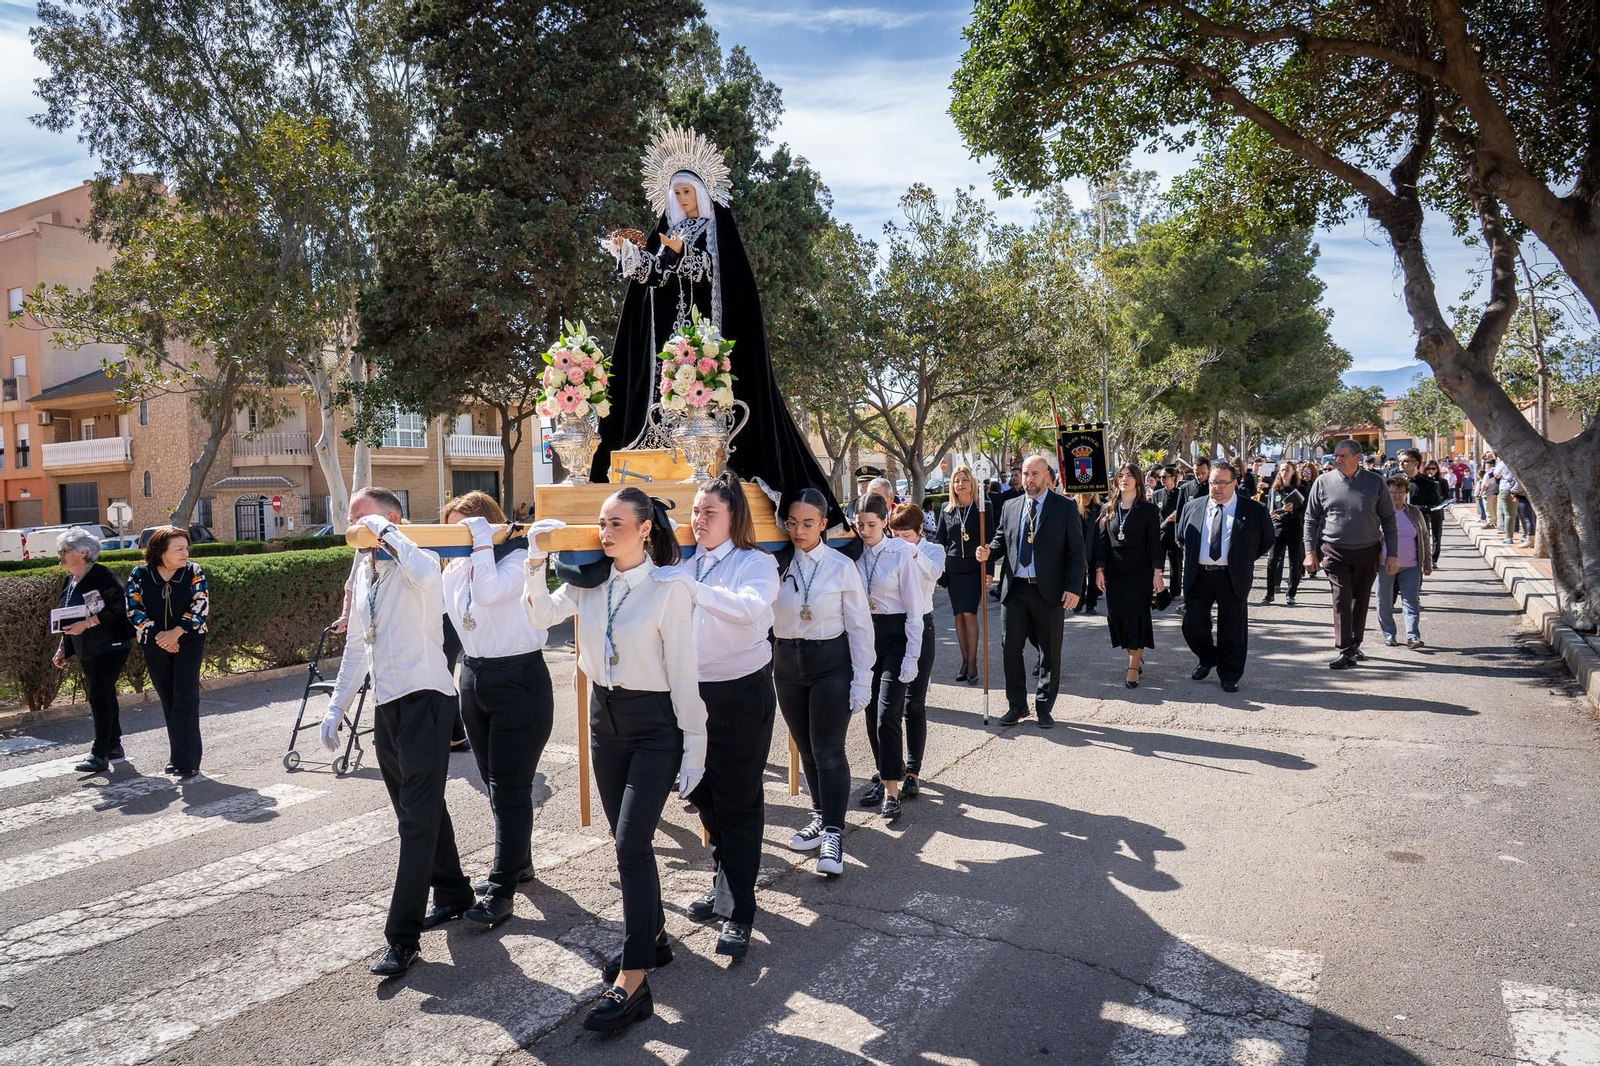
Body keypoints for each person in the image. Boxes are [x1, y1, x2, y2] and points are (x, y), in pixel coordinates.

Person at [523, 487, 705, 1033]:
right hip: (605, 721)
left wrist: (694, 745)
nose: (605, 533)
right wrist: (535, 561)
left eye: (617, 524)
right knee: (628, 843)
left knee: (630, 845)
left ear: (646, 528)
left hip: (655, 725)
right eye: (602, 524)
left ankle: (633, 980)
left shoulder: (669, 590)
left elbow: (684, 672)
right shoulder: (589, 580)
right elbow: (539, 618)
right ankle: (653, 936)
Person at [596, 123, 842, 524]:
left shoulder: (717, 229)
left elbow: (718, 276)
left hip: (708, 334)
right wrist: (631, 255)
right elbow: (655, 278)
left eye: (686, 192)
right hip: (672, 341)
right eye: (675, 193)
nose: (681, 199)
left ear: (701, 192)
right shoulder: (670, 230)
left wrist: (682, 256)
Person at [317, 489, 474, 978]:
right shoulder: (364, 573)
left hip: (428, 702)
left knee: (414, 823)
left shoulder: (420, 563)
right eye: (350, 521)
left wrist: (385, 530)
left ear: (391, 520)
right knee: (419, 812)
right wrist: (336, 706)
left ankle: (400, 938)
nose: (353, 529)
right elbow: (357, 651)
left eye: (361, 519)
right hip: (388, 707)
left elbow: (427, 572)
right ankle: (452, 891)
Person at [438, 491, 554, 929]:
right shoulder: (458, 565)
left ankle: (501, 891)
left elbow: (487, 595)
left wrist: (483, 541)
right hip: (474, 677)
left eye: (464, 528)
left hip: (519, 681)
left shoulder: (516, 559)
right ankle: (519, 864)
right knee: (493, 783)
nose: (459, 537)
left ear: (485, 525)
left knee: (509, 785)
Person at [680, 473, 780, 960]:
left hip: (740, 695)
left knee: (738, 801)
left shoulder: (755, 563)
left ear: (734, 517)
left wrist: (692, 589)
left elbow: (749, 609)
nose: (698, 520)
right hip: (690, 696)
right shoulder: (685, 561)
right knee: (703, 795)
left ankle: (740, 909)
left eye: (708, 512)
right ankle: (726, 880)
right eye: (695, 511)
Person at [772, 488, 874, 878]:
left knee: (829, 749)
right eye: (792, 523)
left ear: (823, 525)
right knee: (807, 750)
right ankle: (819, 815)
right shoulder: (775, 563)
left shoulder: (839, 566)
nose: (798, 531)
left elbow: (860, 626)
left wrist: (862, 678)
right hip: (786, 662)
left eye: (808, 524)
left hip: (830, 662)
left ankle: (834, 833)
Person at [974, 454, 1087, 729]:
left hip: (1048, 591)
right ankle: (1017, 705)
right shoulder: (1010, 506)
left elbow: (1076, 553)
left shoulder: (1064, 507)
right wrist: (988, 552)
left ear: (1047, 476)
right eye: (1025, 474)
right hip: (1015, 590)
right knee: (1010, 648)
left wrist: (1074, 588)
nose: (1029, 479)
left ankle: (1044, 706)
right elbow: (1003, 539)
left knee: (1049, 652)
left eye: (1035, 474)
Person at [852, 494, 923, 821]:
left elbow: (914, 608)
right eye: (860, 524)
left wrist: (912, 654)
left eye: (871, 525)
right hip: (866, 636)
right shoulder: (853, 554)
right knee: (870, 713)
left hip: (895, 635)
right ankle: (883, 777)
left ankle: (892, 794)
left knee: (887, 715)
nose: (864, 531)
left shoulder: (900, 555)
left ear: (884, 522)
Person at [1176, 462, 1274, 692]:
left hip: (1232, 576)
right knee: (1193, 626)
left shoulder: (1253, 510)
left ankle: (1229, 673)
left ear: (1235, 483)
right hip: (1199, 575)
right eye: (1212, 482)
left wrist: (1243, 559)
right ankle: (1208, 657)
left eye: (1222, 483)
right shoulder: (1194, 506)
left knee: (1232, 628)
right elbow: (1180, 535)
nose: (1216, 488)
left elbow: (1266, 539)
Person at [1304, 439, 1399, 670]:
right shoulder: (1323, 482)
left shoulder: (1375, 482)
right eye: (1335, 455)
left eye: (1343, 456)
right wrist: (1309, 552)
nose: (1337, 460)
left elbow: (1388, 518)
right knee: (1342, 598)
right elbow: (1311, 518)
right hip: (1334, 550)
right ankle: (1345, 648)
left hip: (1367, 550)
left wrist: (1393, 554)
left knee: (1361, 599)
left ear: (1358, 457)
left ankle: (1355, 644)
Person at [126, 526, 209, 779]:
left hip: (189, 641)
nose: (185, 553)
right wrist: (159, 636)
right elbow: (133, 609)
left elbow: (200, 605)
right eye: (179, 549)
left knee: (186, 696)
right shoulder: (139, 574)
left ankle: (189, 761)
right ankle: (176, 756)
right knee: (169, 699)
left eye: (186, 548)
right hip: (154, 642)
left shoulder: (194, 571)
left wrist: (176, 633)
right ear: (161, 551)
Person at [51, 527, 135, 773]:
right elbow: (66, 620)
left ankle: (99, 754)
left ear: (83, 552)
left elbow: (120, 608)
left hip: (111, 645)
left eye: (64, 551)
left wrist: (88, 623)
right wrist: (62, 649)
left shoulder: (102, 576)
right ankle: (113, 745)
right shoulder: (70, 579)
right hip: (86, 646)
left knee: (97, 695)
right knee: (105, 694)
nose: (60, 555)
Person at [888, 502, 945, 799]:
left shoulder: (932, 550)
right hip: (892, 626)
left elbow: (934, 572)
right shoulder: (889, 548)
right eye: (894, 534)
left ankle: (913, 770)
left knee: (915, 703)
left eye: (906, 534)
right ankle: (891, 766)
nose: (899, 540)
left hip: (922, 624)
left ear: (920, 530)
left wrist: (910, 551)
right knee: (889, 705)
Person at [1090, 464, 1164, 689]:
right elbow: (1101, 543)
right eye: (1120, 476)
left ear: (1138, 480)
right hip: (1114, 573)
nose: (1124, 479)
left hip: (1140, 573)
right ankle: (1134, 651)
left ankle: (1133, 666)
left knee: (1137, 617)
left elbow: (1155, 544)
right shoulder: (1108, 508)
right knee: (1117, 616)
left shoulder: (1148, 510)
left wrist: (1157, 573)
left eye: (1129, 475)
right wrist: (1099, 570)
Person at [933, 465, 984, 682]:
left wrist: (989, 570)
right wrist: (936, 569)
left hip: (974, 568)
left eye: (964, 480)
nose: (960, 484)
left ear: (971, 483)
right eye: (956, 480)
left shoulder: (982, 507)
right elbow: (939, 541)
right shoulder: (946, 509)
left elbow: (989, 540)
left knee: (970, 613)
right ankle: (963, 660)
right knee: (958, 615)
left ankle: (972, 663)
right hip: (953, 568)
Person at [1377, 476, 1433, 649]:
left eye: (1401, 492)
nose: (1397, 496)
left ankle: (1413, 636)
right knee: (1384, 601)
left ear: (1406, 493)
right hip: (1384, 564)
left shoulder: (1414, 512)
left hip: (1412, 565)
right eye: (1392, 492)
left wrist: (1427, 561)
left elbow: (1424, 536)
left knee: (1411, 600)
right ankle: (1389, 634)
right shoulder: (1379, 513)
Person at [1261, 464, 1306, 606]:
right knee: (1272, 561)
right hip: (1277, 529)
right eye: (1282, 470)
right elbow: (1271, 508)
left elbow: (1303, 511)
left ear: (1293, 472)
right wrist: (1272, 515)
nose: (1284, 472)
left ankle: (1291, 594)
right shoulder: (1275, 490)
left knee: (1295, 562)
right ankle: (1269, 594)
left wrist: (1287, 514)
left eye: (1287, 470)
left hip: (1294, 529)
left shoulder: (1301, 489)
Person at [1151, 466, 1184, 598]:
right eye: (1160, 477)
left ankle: (1175, 592)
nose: (1162, 479)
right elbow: (1153, 514)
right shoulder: (1156, 494)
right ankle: (1157, 589)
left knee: (1176, 563)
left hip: (1175, 534)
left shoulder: (1181, 493)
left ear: (1173, 478)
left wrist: (1178, 517)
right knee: (1157, 563)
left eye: (1164, 477)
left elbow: (1185, 511)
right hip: (1160, 534)